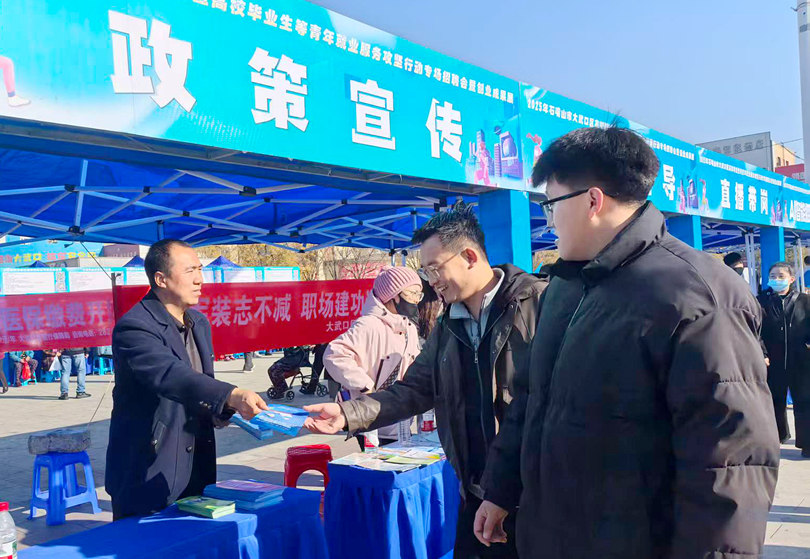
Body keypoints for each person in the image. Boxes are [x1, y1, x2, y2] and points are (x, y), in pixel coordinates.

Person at [475, 126, 779, 557]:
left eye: (550, 205)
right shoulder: (564, 287)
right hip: (554, 535)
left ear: (592, 201)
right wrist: (501, 489)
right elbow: (531, 399)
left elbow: (730, 464)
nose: (548, 222)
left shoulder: (696, 296)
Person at [304, 202, 546, 558]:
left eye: (434, 268)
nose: (430, 282)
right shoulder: (448, 325)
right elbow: (415, 389)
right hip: (475, 493)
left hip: (533, 500)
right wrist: (347, 414)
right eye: (424, 271)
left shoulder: (538, 304)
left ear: (469, 256)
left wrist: (505, 493)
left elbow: (546, 408)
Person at [107, 239, 267, 520]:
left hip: (197, 465)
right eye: (190, 271)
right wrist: (231, 394)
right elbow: (170, 375)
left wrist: (225, 410)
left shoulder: (198, 323)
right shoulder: (134, 327)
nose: (199, 279)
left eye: (200, 269)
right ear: (162, 279)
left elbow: (201, 385)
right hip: (149, 468)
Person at [323, 267, 423, 450]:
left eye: (419, 294)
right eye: (412, 293)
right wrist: (364, 384)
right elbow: (334, 354)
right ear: (393, 295)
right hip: (371, 419)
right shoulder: (368, 325)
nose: (416, 299)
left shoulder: (408, 327)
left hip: (400, 418)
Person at [758, 262, 810, 453]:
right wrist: (762, 353)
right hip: (773, 361)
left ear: (791, 279)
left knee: (804, 402)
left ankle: (807, 443)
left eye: (781, 276)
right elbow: (755, 330)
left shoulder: (805, 301)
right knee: (774, 401)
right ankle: (776, 438)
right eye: (773, 276)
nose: (776, 279)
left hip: (801, 361)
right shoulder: (761, 301)